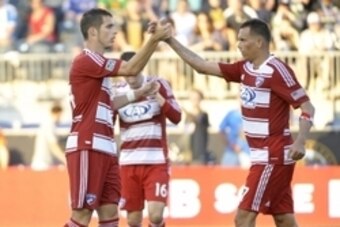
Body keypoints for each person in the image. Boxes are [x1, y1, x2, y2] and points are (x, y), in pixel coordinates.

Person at [166, 18, 315, 227]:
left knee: (243, 218)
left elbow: (307, 107)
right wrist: (170, 40)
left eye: (243, 40)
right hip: (263, 156)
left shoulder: (277, 70)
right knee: (283, 218)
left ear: (259, 42)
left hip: (272, 155)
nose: (238, 44)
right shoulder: (244, 69)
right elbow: (201, 66)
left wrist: (301, 140)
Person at [64, 8, 171, 227]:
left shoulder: (99, 67)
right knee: (82, 214)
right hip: (88, 144)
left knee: (110, 212)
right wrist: (154, 40)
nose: (116, 31)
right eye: (109, 26)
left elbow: (109, 105)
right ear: (93, 32)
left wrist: (137, 94)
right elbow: (131, 68)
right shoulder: (86, 60)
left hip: (107, 148)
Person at [113, 51, 182, 227]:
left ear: (141, 66)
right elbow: (108, 121)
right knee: (133, 220)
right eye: (126, 73)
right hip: (128, 163)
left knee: (156, 216)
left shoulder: (159, 84)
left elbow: (177, 117)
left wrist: (158, 97)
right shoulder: (118, 92)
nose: (130, 77)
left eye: (134, 70)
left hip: (156, 161)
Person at [31, 103, 66, 170]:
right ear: (58, 114)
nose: (61, 118)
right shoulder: (49, 125)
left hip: (43, 164)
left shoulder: (47, 124)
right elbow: (53, 145)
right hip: (42, 165)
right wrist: (64, 159)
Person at [184, 88, 211, 164]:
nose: (195, 101)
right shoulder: (188, 117)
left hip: (200, 152)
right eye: (192, 98)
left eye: (196, 98)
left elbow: (199, 119)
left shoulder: (204, 115)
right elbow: (186, 132)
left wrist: (190, 114)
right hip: (190, 152)